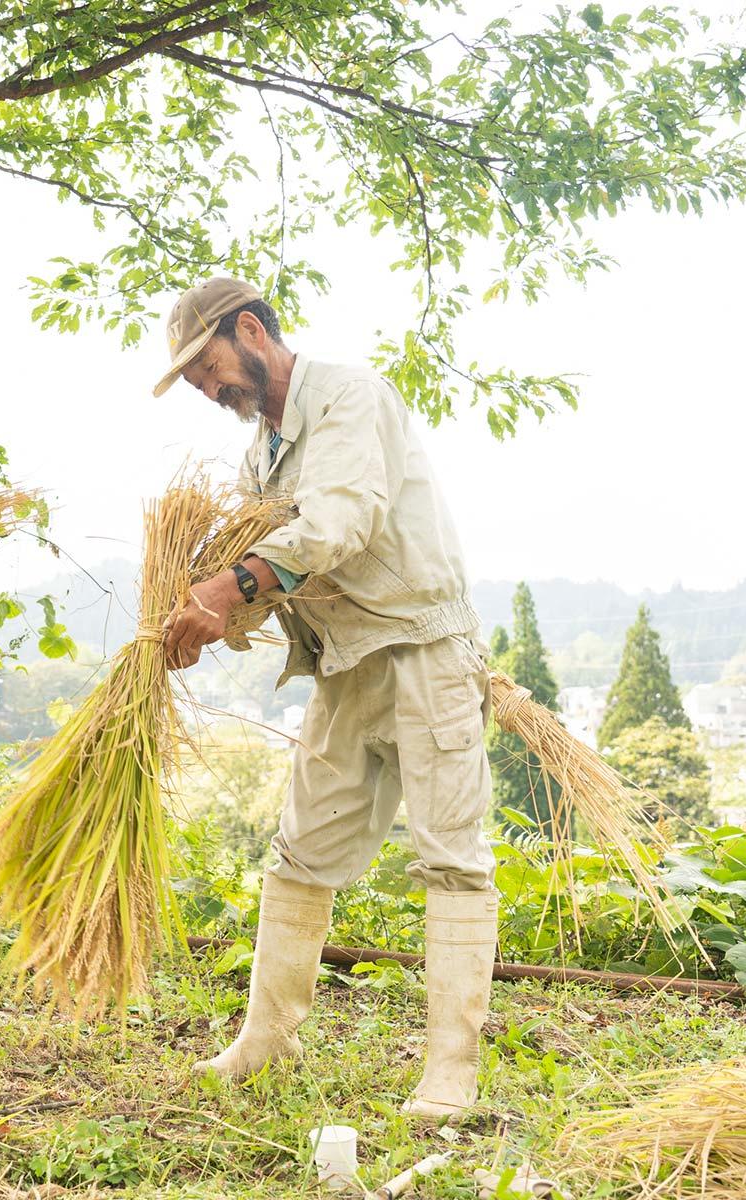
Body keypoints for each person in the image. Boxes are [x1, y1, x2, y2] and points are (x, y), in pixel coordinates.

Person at [157, 277, 495, 1119]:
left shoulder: (350, 398)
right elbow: (274, 575)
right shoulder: (258, 454)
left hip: (423, 650)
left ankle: (451, 1070)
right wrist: (207, 619)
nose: (208, 389)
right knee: (300, 852)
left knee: (450, 857)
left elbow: (342, 522)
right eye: (196, 380)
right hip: (345, 664)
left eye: (208, 368)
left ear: (250, 330)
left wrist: (227, 587)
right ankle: (266, 1039)